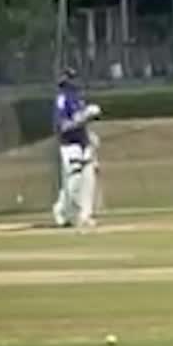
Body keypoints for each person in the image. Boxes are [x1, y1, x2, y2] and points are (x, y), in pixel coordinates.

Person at [51, 69, 102, 228]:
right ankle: (62, 211)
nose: (76, 81)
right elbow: (62, 126)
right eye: (72, 78)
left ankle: (85, 215)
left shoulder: (78, 98)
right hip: (70, 144)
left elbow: (82, 123)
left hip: (83, 142)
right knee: (74, 181)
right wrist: (83, 117)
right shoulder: (62, 99)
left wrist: (90, 134)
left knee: (89, 179)